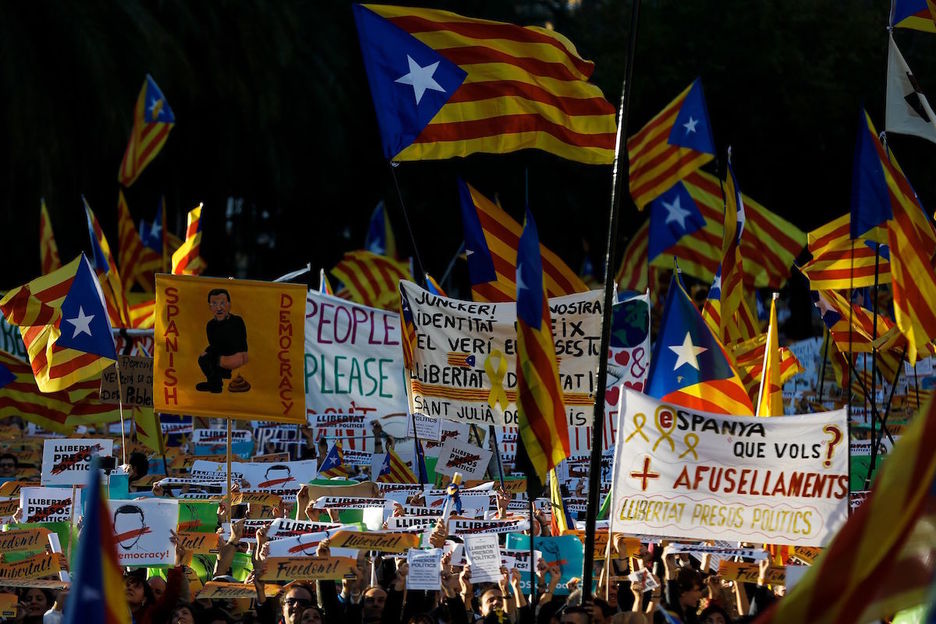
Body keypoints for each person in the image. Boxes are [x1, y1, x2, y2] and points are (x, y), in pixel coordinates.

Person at [197, 288, 249, 393]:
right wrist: (207, 352)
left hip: (236, 354)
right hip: (220, 354)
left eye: (222, 303)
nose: (219, 307)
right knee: (203, 357)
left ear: (229, 304)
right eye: (214, 304)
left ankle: (216, 384)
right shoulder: (211, 325)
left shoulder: (237, 321)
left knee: (211, 357)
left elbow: (239, 343)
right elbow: (213, 344)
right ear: (210, 307)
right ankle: (214, 383)